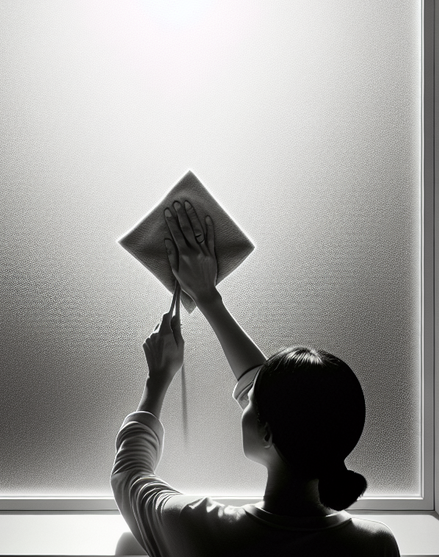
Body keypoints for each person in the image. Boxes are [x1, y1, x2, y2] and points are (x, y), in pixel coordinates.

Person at [111, 200, 400, 557]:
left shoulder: (198, 528)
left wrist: (157, 380)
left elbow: (129, 476)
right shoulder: (375, 545)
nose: (244, 399)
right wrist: (208, 298)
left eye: (251, 402)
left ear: (266, 431)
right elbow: (286, 404)